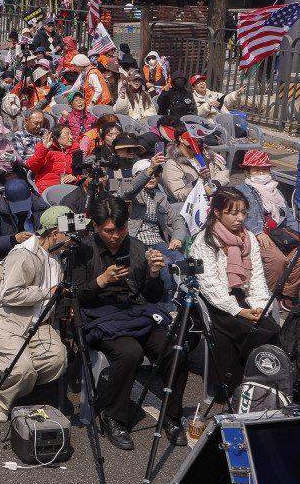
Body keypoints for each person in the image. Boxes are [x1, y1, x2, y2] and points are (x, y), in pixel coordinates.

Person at [73, 197, 186, 450]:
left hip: (134, 313)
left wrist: (154, 274)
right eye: (109, 231)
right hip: (99, 316)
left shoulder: (136, 247)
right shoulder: (82, 250)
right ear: (95, 226)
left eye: (121, 229)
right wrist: (101, 280)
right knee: (130, 352)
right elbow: (76, 297)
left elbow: (152, 297)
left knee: (175, 349)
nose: (116, 236)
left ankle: (172, 415)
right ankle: (114, 417)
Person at [0, 205, 73, 421]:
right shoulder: (23, 255)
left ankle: (13, 382)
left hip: (40, 323)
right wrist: (47, 293)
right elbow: (9, 295)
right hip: (8, 321)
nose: (73, 239)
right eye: (69, 233)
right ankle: (2, 400)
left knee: (58, 360)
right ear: (54, 233)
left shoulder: (58, 254)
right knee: (22, 369)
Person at [190, 188, 283, 394]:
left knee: (269, 327)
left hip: (244, 297)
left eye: (243, 212)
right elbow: (209, 284)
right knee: (259, 332)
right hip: (217, 303)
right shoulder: (205, 240)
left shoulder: (248, 237)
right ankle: (251, 384)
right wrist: (239, 311)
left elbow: (257, 276)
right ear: (217, 212)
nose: (240, 218)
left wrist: (260, 306)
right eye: (233, 213)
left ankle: (266, 383)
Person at [235, 151, 300, 309]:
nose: (261, 174)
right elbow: (242, 215)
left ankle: (287, 293)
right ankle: (269, 295)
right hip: (260, 235)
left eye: (264, 170)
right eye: (256, 170)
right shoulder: (241, 190)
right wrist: (258, 232)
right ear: (247, 172)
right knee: (277, 260)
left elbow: (288, 216)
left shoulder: (277, 191)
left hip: (281, 234)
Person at [127, 158, 188, 292]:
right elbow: (129, 190)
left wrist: (177, 238)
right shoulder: (129, 195)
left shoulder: (160, 196)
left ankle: (180, 296)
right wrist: (150, 170)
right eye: (149, 173)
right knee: (164, 263)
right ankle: (164, 301)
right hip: (137, 243)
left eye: (155, 173)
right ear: (135, 176)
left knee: (180, 260)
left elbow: (176, 220)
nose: (152, 177)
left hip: (158, 241)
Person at [0, 178, 50, 263]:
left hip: (36, 256)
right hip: (5, 259)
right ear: (5, 199)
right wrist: (13, 239)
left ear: (30, 193)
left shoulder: (40, 206)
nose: (22, 210)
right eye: (17, 207)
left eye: (25, 205)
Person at [161, 130, 228, 202]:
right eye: (193, 136)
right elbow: (179, 195)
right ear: (181, 139)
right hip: (193, 204)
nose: (198, 139)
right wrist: (200, 182)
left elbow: (223, 172)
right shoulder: (172, 164)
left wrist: (213, 184)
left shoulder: (206, 154)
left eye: (200, 136)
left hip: (214, 198)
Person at [26, 124, 78, 192]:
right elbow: (32, 166)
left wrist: (75, 177)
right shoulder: (46, 150)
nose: (71, 137)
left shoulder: (76, 152)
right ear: (57, 138)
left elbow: (83, 174)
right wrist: (44, 149)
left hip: (70, 189)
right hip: (47, 190)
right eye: (67, 134)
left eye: (71, 134)